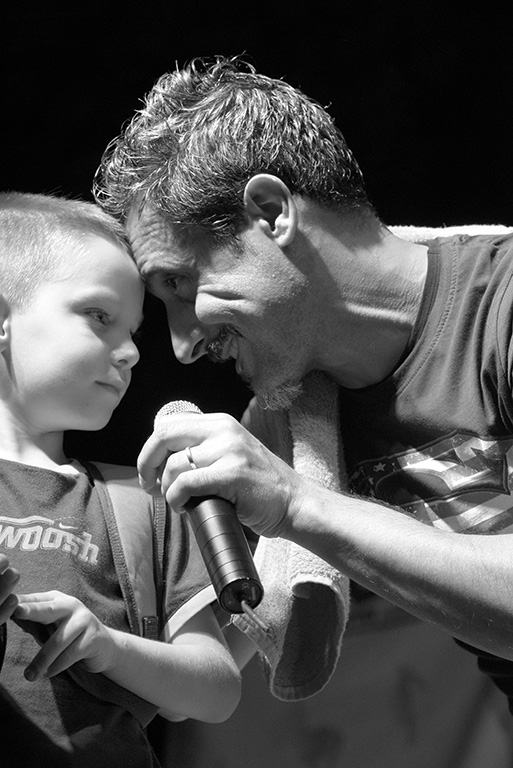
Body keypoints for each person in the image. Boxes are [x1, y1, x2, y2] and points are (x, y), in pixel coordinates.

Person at [94, 56, 513, 715]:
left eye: (180, 283)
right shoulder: (294, 422)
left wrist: (298, 505)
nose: (181, 345)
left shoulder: (500, 306)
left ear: (270, 212)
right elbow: (197, 680)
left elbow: (295, 504)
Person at [0, 192, 241, 767]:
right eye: (99, 316)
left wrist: (109, 647)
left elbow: (215, 689)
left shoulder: (143, 501)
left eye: (133, 331)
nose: (131, 351)